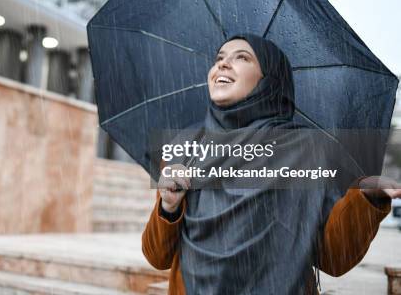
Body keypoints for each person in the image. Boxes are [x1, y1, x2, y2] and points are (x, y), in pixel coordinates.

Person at [141, 33, 401, 294]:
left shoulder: (304, 149)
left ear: (269, 81)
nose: (222, 64)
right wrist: (169, 206)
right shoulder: (185, 146)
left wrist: (366, 197)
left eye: (242, 58)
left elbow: (333, 257)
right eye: (219, 58)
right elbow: (157, 257)